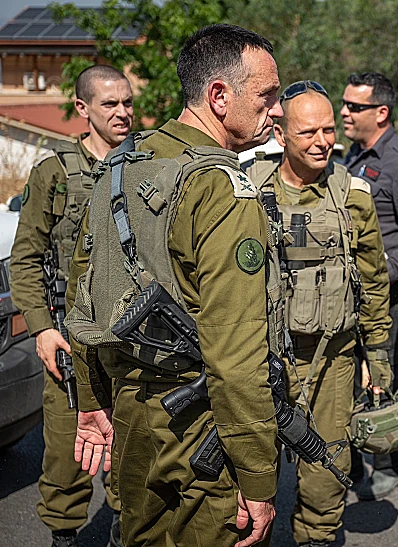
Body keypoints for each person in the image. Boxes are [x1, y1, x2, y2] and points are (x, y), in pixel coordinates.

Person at [66, 24, 285, 546]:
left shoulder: (120, 166)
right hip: (203, 428)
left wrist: (92, 400)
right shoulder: (222, 189)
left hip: (132, 418)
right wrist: (256, 473)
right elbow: (235, 353)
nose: (276, 110)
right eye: (267, 96)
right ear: (218, 95)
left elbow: (83, 293)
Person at [245, 80, 392, 547]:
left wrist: (379, 357)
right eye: (308, 132)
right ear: (280, 132)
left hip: (334, 360)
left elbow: (372, 281)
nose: (323, 141)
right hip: (260, 362)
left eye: (329, 130)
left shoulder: (353, 194)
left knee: (327, 476)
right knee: (249, 475)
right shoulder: (245, 191)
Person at [10, 64, 132, 547]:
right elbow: (25, 259)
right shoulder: (55, 173)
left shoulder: (144, 165)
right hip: (71, 339)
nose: (123, 112)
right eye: (110, 104)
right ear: (82, 109)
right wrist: (41, 327)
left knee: (130, 457)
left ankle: (127, 532)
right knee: (66, 457)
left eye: (126, 102)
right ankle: (64, 536)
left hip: (130, 340)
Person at [341, 71, 398, 500]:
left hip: (384, 297)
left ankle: (391, 461)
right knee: (346, 378)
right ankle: (351, 459)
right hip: (347, 295)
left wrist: (378, 274)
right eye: (346, 104)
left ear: (381, 112)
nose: (345, 112)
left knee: (383, 378)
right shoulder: (352, 156)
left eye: (355, 106)